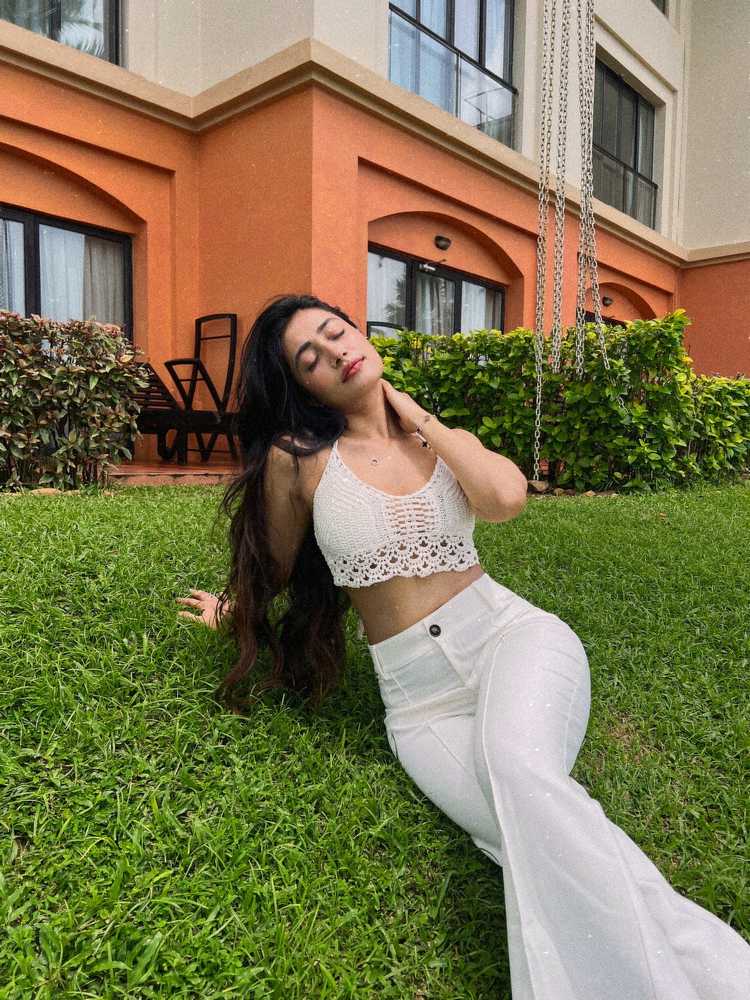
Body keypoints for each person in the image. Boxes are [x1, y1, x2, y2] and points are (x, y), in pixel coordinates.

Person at [176, 293, 750, 999]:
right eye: (310, 358)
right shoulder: (300, 462)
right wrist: (237, 612)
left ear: (361, 332)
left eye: (336, 332)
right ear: (304, 387)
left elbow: (505, 499)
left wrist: (415, 415)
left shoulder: (438, 438)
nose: (335, 353)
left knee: (519, 771)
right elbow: (276, 566)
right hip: (421, 706)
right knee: (525, 829)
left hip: (515, 639)